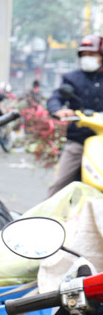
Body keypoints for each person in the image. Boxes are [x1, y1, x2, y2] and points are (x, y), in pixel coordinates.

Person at [46, 34, 103, 197]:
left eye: (91, 55)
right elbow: (56, 97)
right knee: (59, 184)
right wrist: (58, 110)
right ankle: (47, 217)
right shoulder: (72, 78)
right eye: (84, 55)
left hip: (102, 140)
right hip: (78, 140)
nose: (87, 59)